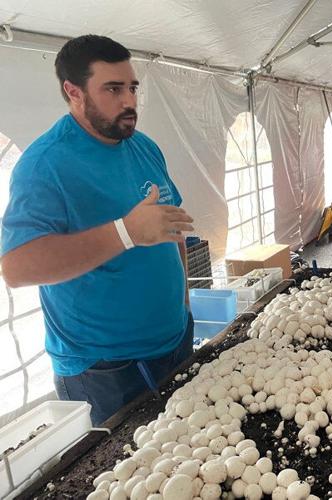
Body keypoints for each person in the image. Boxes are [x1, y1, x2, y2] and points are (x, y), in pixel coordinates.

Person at [0, 35, 196, 426]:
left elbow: (171, 227)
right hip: (105, 369)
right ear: (73, 91)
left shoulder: (144, 147)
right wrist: (125, 232)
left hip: (174, 340)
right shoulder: (46, 164)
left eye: (132, 87)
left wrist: (185, 298)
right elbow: (17, 267)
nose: (129, 101)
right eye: (112, 89)